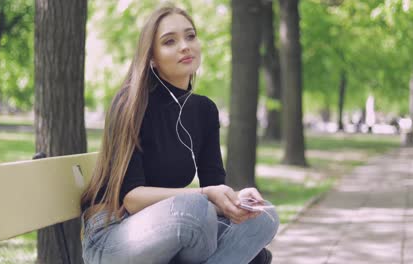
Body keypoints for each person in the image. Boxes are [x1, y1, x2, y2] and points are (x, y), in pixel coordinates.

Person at [80, 4, 279, 264]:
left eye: (190, 36)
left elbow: (214, 186)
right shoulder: (130, 105)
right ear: (152, 57)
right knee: (198, 211)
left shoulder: (204, 110)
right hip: (113, 233)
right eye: (169, 41)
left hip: (172, 230)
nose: (185, 46)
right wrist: (206, 195)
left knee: (265, 216)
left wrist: (235, 201)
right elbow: (131, 199)